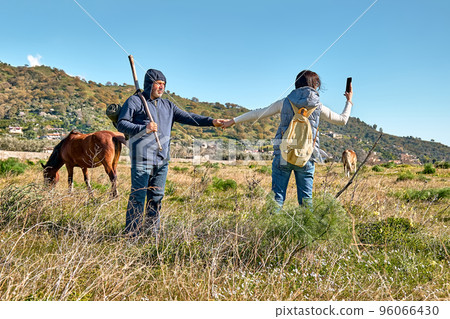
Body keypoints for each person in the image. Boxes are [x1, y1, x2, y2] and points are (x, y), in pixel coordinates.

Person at [117, 69, 226, 236]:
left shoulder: (168, 105)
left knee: (156, 198)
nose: (162, 87)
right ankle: (131, 235)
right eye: (158, 83)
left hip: (162, 159)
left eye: (164, 84)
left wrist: (212, 122)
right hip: (142, 158)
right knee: (138, 197)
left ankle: (152, 235)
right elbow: (122, 124)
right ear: (149, 84)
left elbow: (190, 117)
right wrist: (143, 128)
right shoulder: (135, 101)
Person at [222, 70, 353, 208]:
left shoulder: (285, 102)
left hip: (283, 154)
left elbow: (259, 113)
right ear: (315, 85)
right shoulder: (318, 106)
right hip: (307, 156)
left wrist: (233, 121)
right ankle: (304, 229)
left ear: (297, 84)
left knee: (276, 198)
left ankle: (273, 228)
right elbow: (342, 120)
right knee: (306, 201)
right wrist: (349, 101)